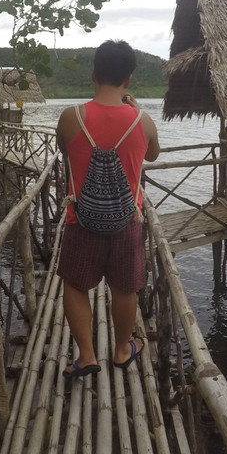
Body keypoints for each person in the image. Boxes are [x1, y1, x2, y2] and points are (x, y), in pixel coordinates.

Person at [55, 40, 160, 378]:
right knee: (125, 288)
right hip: (126, 221)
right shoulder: (143, 122)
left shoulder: (71, 117)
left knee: (74, 285)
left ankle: (86, 356)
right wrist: (136, 110)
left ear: (93, 74)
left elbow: (64, 151)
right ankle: (120, 350)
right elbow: (153, 155)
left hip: (81, 219)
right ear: (128, 80)